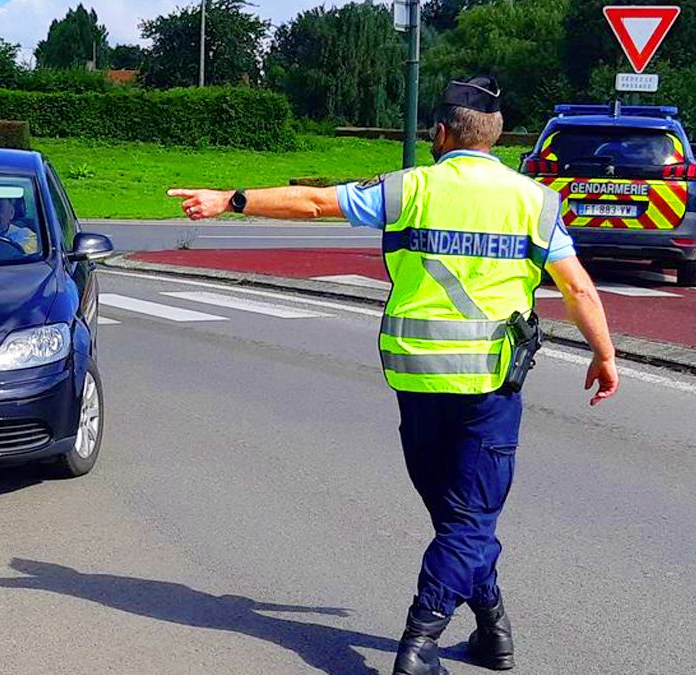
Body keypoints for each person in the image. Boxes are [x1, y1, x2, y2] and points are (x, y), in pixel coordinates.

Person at [169, 76, 619, 675]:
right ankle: (418, 645)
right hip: (488, 386)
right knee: (469, 520)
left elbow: (314, 202)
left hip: (416, 381)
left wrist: (232, 198)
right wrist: (604, 353)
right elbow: (578, 286)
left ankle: (492, 631)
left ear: (440, 134)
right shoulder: (533, 201)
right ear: (497, 135)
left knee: (458, 519)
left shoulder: (409, 187)